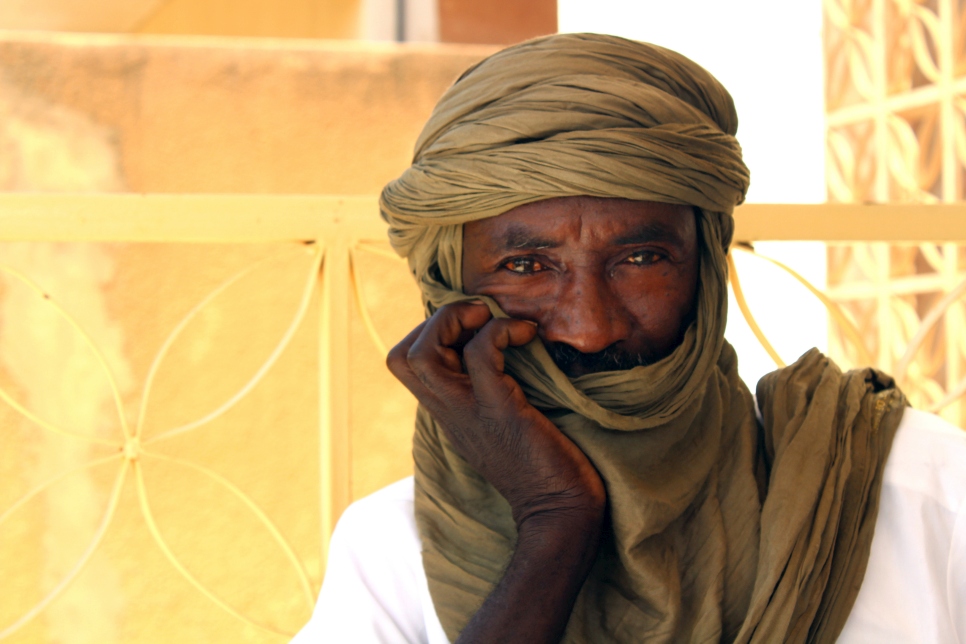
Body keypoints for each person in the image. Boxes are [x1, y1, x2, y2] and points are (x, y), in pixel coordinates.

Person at [294, 33, 966, 643]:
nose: (592, 330)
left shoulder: (915, 491)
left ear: (704, 268)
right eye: (528, 267)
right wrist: (554, 529)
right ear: (448, 290)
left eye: (641, 259)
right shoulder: (392, 550)